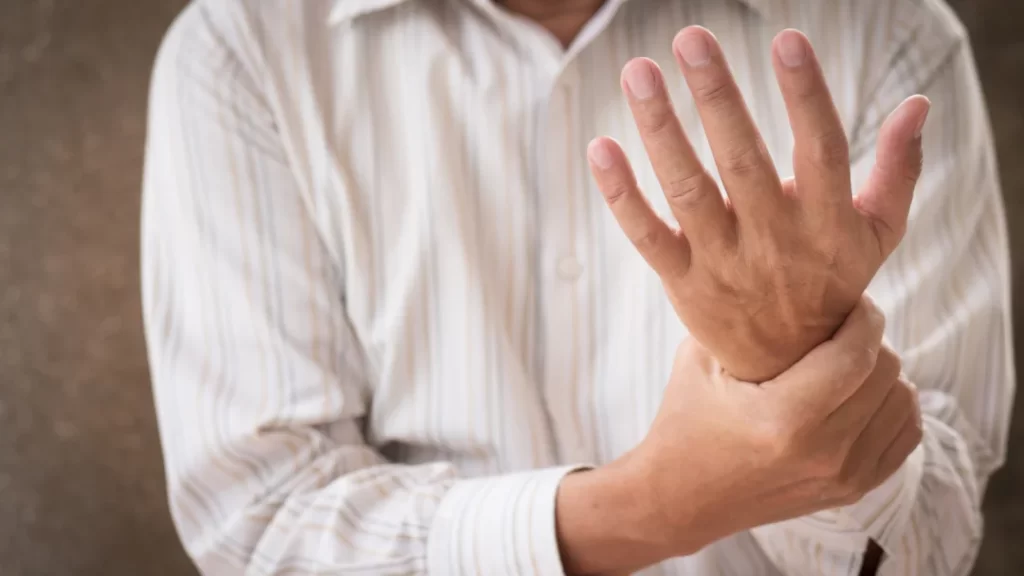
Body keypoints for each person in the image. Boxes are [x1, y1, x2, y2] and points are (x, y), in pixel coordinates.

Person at [140, 0, 1014, 574]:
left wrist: (791, 370)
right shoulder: (242, 48)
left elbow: (929, 545)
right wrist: (653, 505)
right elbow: (262, 525)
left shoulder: (883, 27)